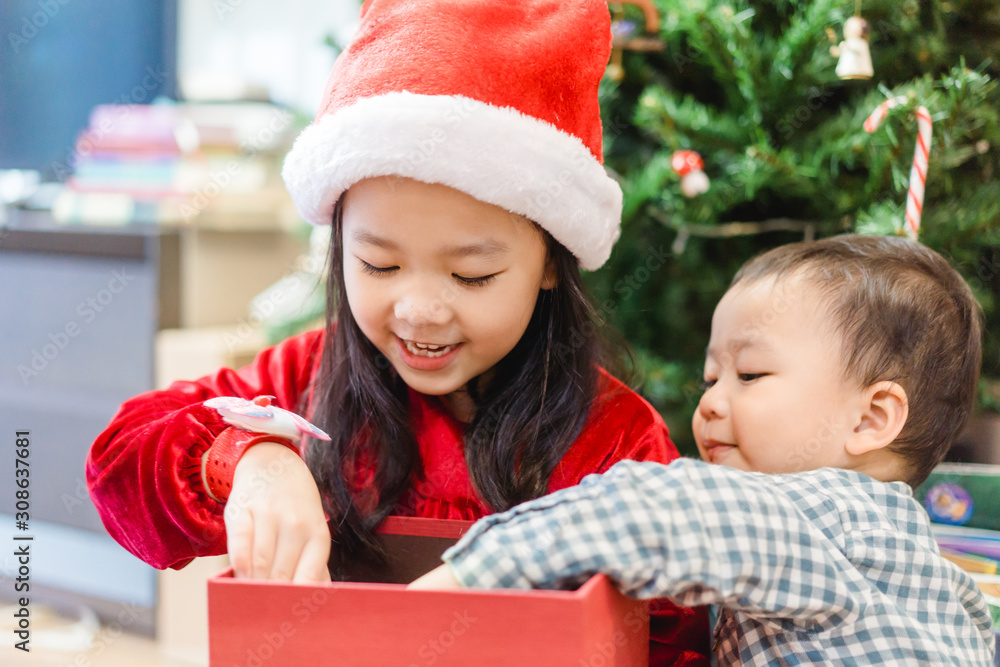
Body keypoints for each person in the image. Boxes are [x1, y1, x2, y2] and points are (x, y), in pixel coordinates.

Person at [86, 1, 709, 663]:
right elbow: (119, 463)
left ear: (551, 262)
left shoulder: (614, 435)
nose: (419, 310)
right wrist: (250, 458)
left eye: (472, 275)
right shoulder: (308, 374)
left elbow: (675, 636)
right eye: (378, 264)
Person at [410, 234, 997, 666]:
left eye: (751, 373)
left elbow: (650, 510)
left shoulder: (819, 512)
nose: (711, 404)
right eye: (711, 379)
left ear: (870, 419)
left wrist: (465, 575)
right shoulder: (931, 574)